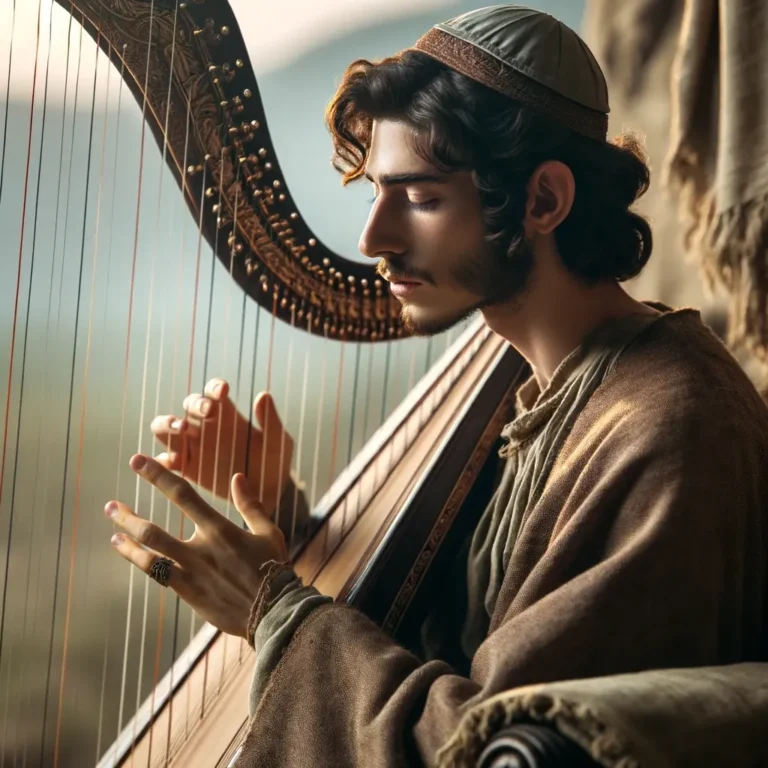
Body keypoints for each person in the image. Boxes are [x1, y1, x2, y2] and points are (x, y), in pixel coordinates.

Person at [104, 5, 768, 766]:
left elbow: (497, 740)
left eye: (419, 199)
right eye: (376, 194)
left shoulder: (667, 427)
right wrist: (285, 510)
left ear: (544, 201)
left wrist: (274, 609)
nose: (372, 240)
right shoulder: (555, 383)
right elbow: (455, 613)